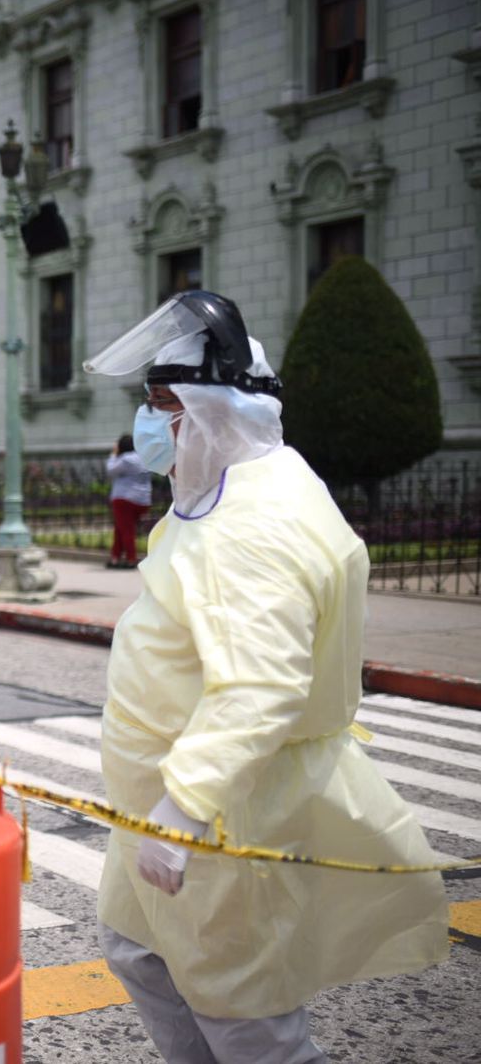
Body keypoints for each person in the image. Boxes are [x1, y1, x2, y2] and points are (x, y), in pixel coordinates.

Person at [82, 290, 448, 1063]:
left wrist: (185, 807)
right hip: (161, 805)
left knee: (244, 1012)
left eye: (164, 405)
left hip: (219, 813)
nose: (154, 424)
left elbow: (262, 686)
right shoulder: (236, 493)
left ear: (214, 410)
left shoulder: (256, 528)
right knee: (140, 950)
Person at [105, 432, 152, 568]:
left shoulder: (126, 459)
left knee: (126, 530)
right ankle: (115, 557)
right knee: (120, 528)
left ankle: (131, 559)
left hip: (124, 499)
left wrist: (114, 454)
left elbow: (110, 470)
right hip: (143, 499)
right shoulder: (144, 458)